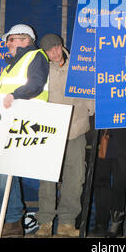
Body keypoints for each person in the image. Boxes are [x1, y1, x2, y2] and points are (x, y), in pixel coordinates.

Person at [0, 24, 49, 238]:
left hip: (25, 122)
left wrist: (16, 95)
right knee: (2, 170)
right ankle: (4, 217)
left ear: (25, 40)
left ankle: (9, 219)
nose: (7, 44)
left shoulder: (36, 56)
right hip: (8, 121)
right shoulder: (9, 66)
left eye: (10, 40)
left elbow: (37, 84)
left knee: (6, 172)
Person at [35, 34, 94, 238]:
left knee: (75, 177)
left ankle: (66, 223)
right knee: (46, 178)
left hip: (76, 128)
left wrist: (91, 109)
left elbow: (89, 90)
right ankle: (44, 223)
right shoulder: (40, 70)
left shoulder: (79, 65)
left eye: (57, 47)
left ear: (62, 46)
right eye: (50, 50)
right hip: (49, 130)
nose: (55, 53)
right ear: (45, 53)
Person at [89, 128, 126, 237]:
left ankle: (117, 224)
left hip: (122, 134)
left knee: (119, 182)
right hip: (103, 135)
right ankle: (101, 223)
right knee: (101, 180)